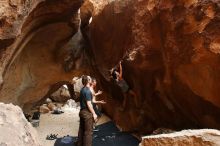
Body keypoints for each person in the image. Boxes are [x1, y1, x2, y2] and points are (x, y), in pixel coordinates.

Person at [77, 75, 97, 146]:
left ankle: (79, 144)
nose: (91, 79)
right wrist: (94, 114)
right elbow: (89, 104)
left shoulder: (82, 89)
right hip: (86, 113)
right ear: (88, 81)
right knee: (88, 133)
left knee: (82, 129)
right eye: (90, 78)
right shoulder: (88, 91)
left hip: (81, 112)